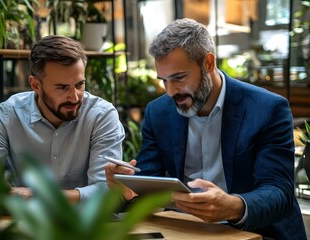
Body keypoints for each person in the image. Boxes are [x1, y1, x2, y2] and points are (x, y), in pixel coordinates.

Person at [105, 18, 306, 239]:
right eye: (164, 80)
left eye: (179, 78)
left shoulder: (267, 109)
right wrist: (127, 191)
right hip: (184, 230)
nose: (171, 92)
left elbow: (279, 193)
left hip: (256, 232)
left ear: (208, 63)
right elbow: (147, 187)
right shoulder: (159, 112)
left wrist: (232, 206)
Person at [0, 35, 125, 203]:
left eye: (79, 85)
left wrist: (35, 195)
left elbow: (106, 191)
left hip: (86, 225)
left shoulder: (101, 116)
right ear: (35, 85)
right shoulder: (7, 116)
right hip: (25, 224)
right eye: (62, 87)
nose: (74, 97)